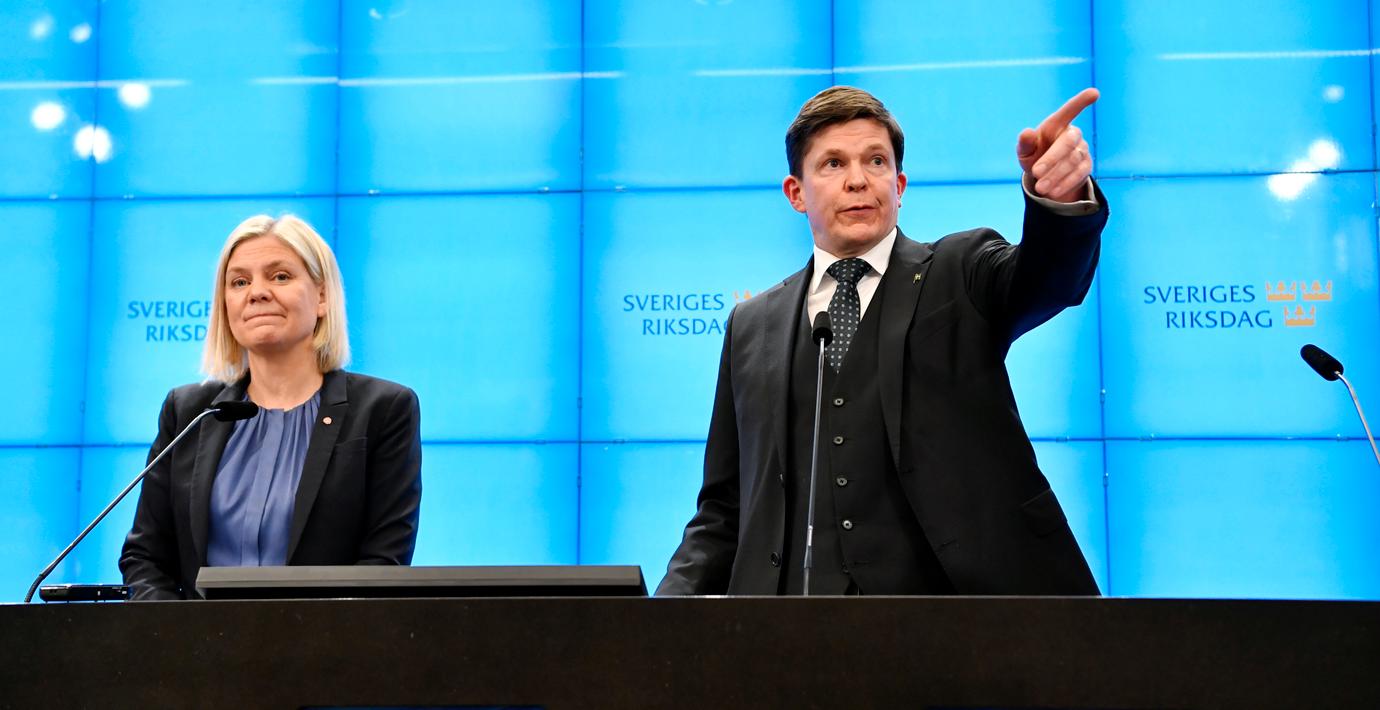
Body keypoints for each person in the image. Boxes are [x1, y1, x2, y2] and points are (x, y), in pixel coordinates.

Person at [658, 86, 1108, 596]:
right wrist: (655, 616)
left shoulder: (960, 271)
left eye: (875, 161)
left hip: (959, 618)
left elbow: (1048, 278)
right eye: (833, 164)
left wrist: (1059, 203)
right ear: (796, 193)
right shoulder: (751, 324)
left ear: (899, 185)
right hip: (791, 627)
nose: (857, 180)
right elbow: (724, 508)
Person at [120, 215, 422, 600]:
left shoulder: (383, 410)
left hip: (326, 637)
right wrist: (176, 631)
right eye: (239, 282)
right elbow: (145, 557)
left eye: (280, 276)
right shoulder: (188, 412)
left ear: (322, 297)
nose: (257, 293)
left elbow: (383, 562)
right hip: (195, 639)